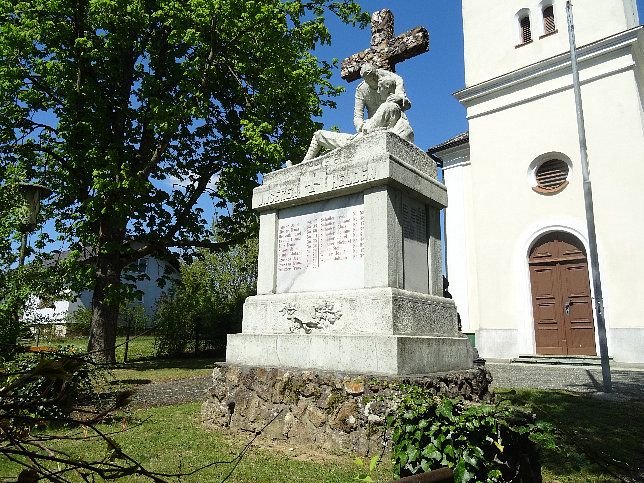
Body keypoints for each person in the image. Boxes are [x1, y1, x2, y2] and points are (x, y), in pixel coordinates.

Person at [302, 63, 414, 161]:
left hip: (391, 123)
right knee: (319, 136)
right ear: (365, 80)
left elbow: (407, 104)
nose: (374, 82)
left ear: (376, 73)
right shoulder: (361, 89)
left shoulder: (394, 80)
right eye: (369, 80)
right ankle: (303, 164)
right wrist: (362, 126)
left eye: (375, 78)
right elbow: (357, 117)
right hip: (367, 131)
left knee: (390, 106)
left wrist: (400, 99)